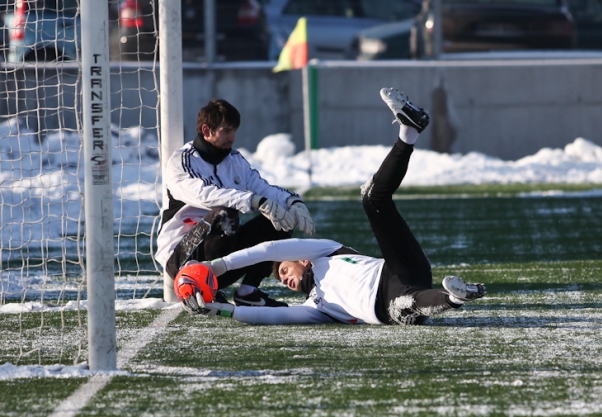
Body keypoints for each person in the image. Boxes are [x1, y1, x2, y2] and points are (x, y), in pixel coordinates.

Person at [177, 88, 486, 325]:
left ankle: (409, 132)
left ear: (302, 259)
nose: (284, 279)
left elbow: (269, 249)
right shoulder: (316, 307)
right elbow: (274, 318)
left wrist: (219, 267)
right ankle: (455, 298)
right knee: (407, 305)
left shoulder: (327, 251)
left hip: (399, 268)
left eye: (284, 270)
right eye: (282, 281)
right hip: (390, 305)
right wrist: (222, 310)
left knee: (372, 198)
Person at [156, 98, 315, 307]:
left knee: (281, 216)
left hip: (224, 258)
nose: (232, 137)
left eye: (234, 131)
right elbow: (206, 194)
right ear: (206, 130)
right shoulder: (182, 161)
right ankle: (204, 287)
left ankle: (248, 292)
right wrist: (254, 201)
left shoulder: (235, 160)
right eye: (226, 131)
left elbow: (262, 188)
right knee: (224, 213)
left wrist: (293, 202)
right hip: (183, 257)